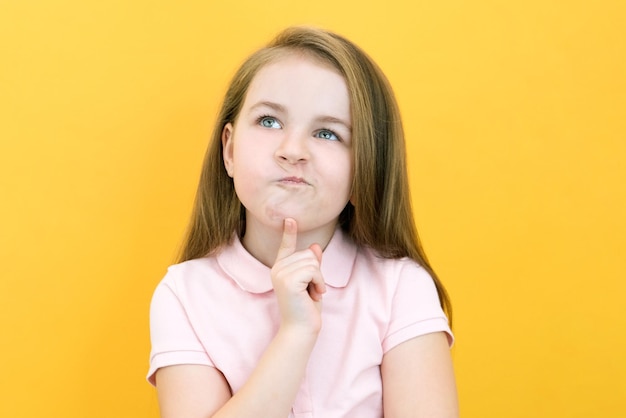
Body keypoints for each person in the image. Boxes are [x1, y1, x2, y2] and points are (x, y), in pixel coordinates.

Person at [147, 26, 458, 418]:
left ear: (365, 167)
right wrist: (295, 335)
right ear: (228, 149)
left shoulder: (400, 289)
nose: (292, 151)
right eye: (269, 122)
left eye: (327, 133)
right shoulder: (184, 295)